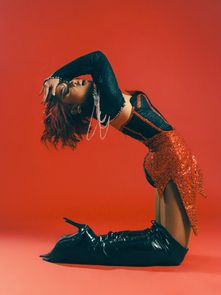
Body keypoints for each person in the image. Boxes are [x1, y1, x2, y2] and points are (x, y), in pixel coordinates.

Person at [39, 50, 207, 266]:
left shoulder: (106, 95)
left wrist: (59, 79)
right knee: (170, 249)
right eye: (66, 90)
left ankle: (90, 243)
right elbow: (97, 59)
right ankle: (89, 246)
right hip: (171, 157)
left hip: (164, 155)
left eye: (68, 82)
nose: (71, 82)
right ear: (77, 108)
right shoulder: (110, 101)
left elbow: (95, 67)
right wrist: (56, 76)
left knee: (163, 238)